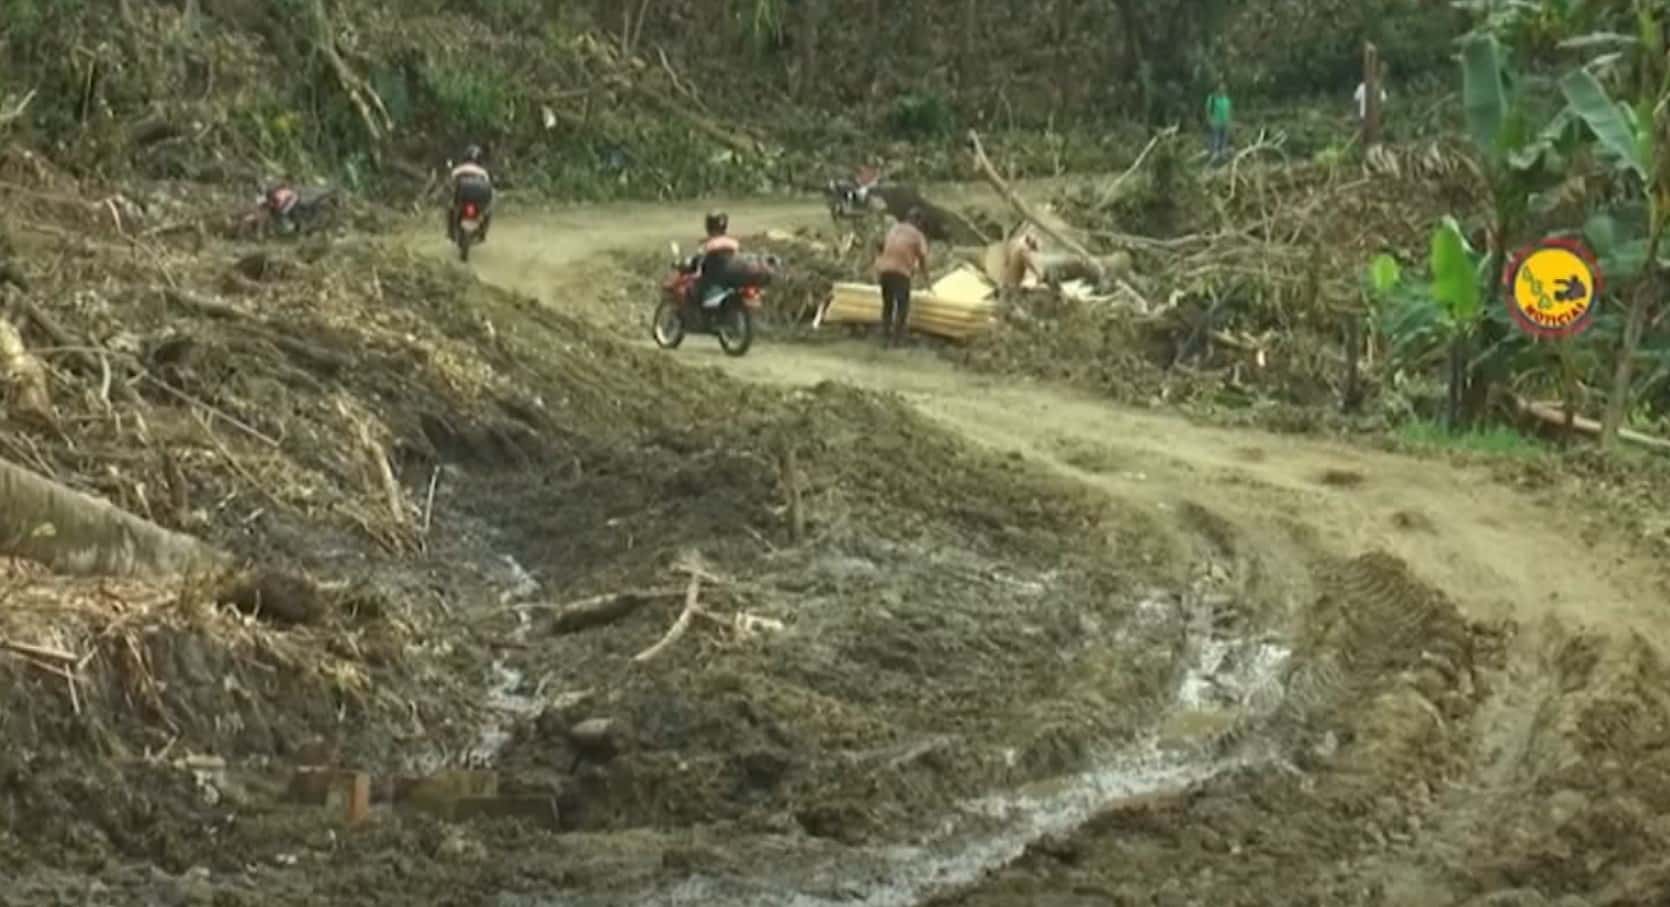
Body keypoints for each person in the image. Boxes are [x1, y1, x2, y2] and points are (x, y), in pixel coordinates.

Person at [872, 208, 930, 348]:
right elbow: (922, 258)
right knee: (902, 307)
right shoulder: (917, 235)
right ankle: (897, 341)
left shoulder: (894, 229)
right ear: (918, 222)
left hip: (884, 271)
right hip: (901, 272)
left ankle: (884, 337)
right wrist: (927, 280)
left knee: (888, 305)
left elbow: (881, 245)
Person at [690, 210, 741, 309]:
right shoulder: (734, 242)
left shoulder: (708, 244)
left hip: (715, 285)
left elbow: (698, 261)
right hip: (732, 282)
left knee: (692, 290)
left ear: (708, 226)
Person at [447, 144, 494, 243]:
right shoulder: (483, 172)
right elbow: (488, 185)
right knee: (488, 212)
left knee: (451, 209)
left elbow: (451, 184)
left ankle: (451, 232)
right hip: (479, 201)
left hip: (462, 199)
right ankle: (482, 233)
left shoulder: (458, 170)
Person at [1205, 81, 1232, 165]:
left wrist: (1229, 121)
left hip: (1225, 123)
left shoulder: (1226, 99)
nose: (1222, 89)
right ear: (1217, 88)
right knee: (1215, 140)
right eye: (1221, 87)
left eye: (1224, 88)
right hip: (1215, 122)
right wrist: (1210, 120)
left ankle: (1222, 156)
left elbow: (1229, 111)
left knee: (1224, 140)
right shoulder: (1212, 98)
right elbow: (1208, 110)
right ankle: (1214, 157)